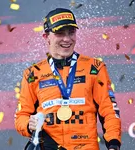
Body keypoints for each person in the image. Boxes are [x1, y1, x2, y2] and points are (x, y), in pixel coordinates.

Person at [15, 8, 121, 150]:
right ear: (46, 37)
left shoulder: (94, 68)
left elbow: (109, 111)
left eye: (71, 32)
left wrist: (113, 144)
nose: (67, 39)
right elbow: (21, 116)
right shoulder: (32, 74)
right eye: (60, 33)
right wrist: (28, 124)